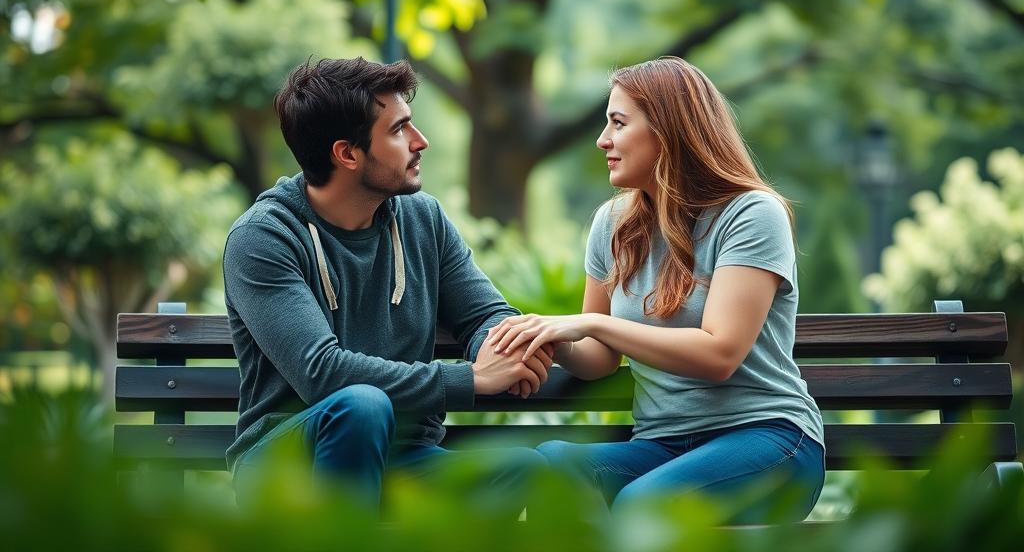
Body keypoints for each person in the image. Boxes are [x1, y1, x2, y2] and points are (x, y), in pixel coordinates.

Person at [488, 56, 825, 524]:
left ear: (668, 131)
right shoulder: (612, 224)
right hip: (662, 445)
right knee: (554, 465)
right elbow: (599, 357)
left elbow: (719, 354)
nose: (602, 140)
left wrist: (592, 322)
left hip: (768, 440)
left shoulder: (750, 215)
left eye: (618, 123)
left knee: (644, 506)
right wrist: (545, 337)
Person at [223, 56, 551, 513]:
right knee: (360, 407)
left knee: (523, 467)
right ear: (348, 154)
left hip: (405, 460)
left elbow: (484, 313)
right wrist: (471, 378)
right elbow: (324, 374)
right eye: (399, 131)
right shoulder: (265, 237)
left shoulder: (423, 219)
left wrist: (500, 344)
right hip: (287, 467)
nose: (421, 142)